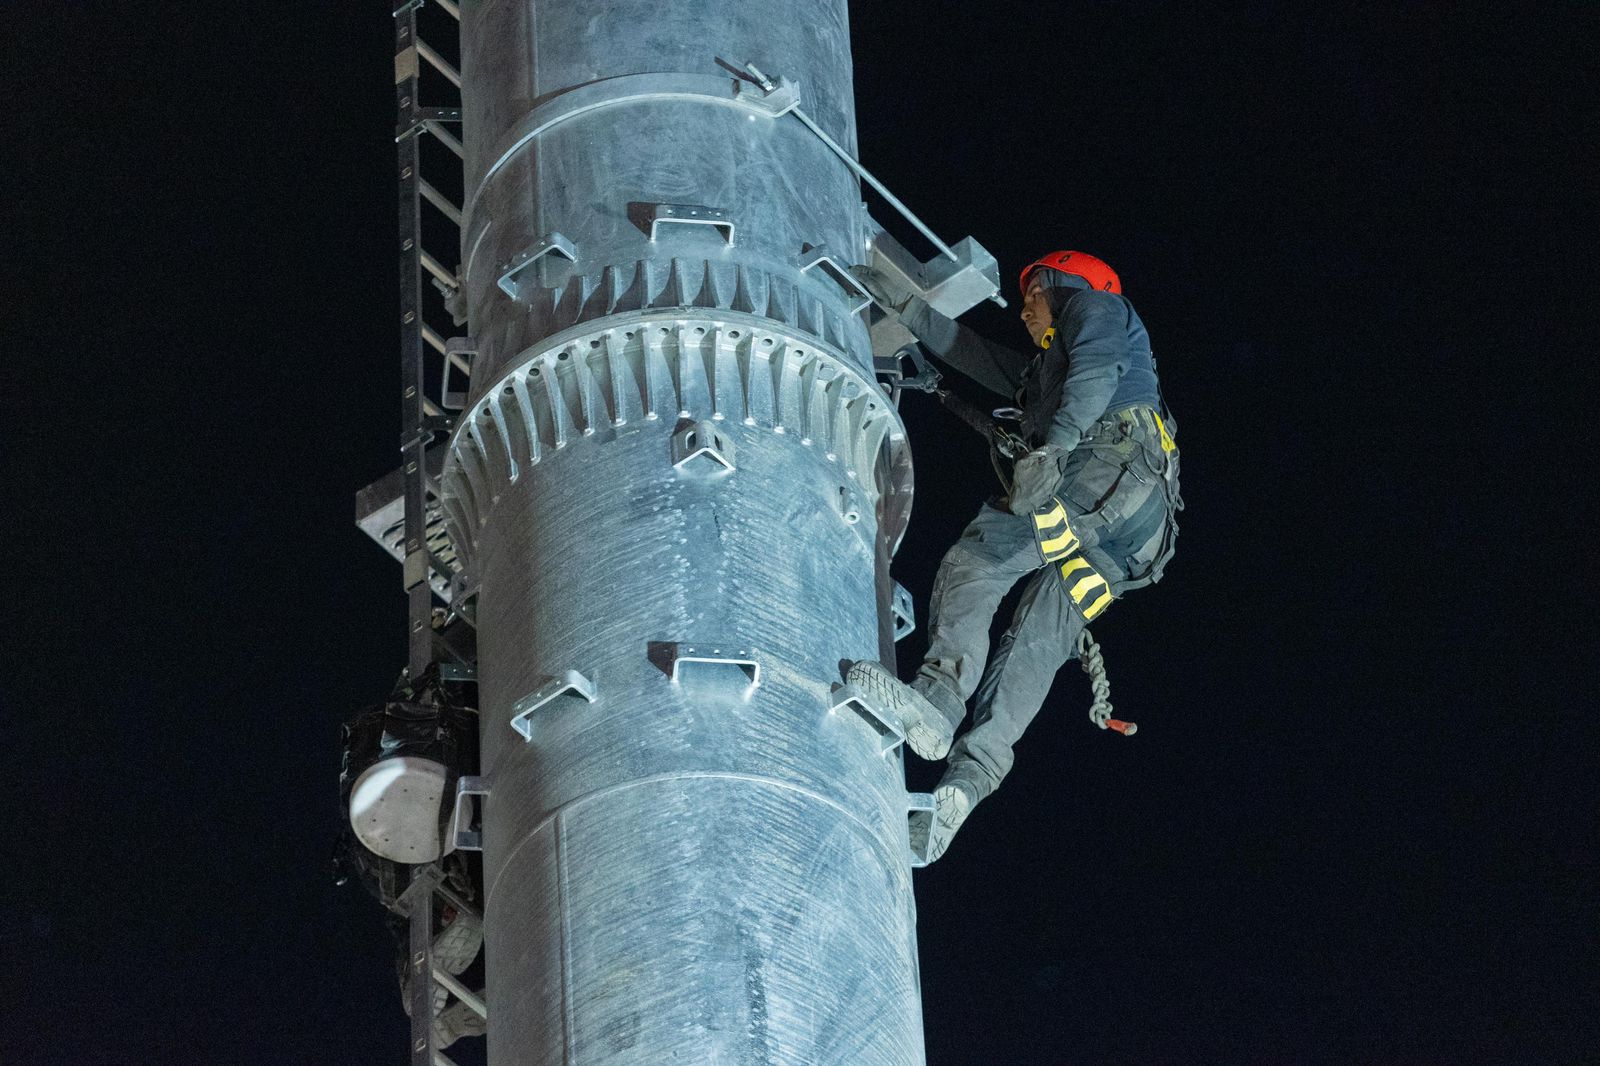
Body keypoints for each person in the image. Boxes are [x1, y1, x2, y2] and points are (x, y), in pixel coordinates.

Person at [849, 251, 1182, 862]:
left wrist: (1052, 450)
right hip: (1135, 540)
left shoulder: (1099, 308)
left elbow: (1096, 368)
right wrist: (901, 304)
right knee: (1036, 642)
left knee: (980, 557)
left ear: (1068, 285)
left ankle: (938, 699)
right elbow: (968, 350)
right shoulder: (1039, 378)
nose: (1025, 305)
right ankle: (965, 788)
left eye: (1036, 292)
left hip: (1108, 469)